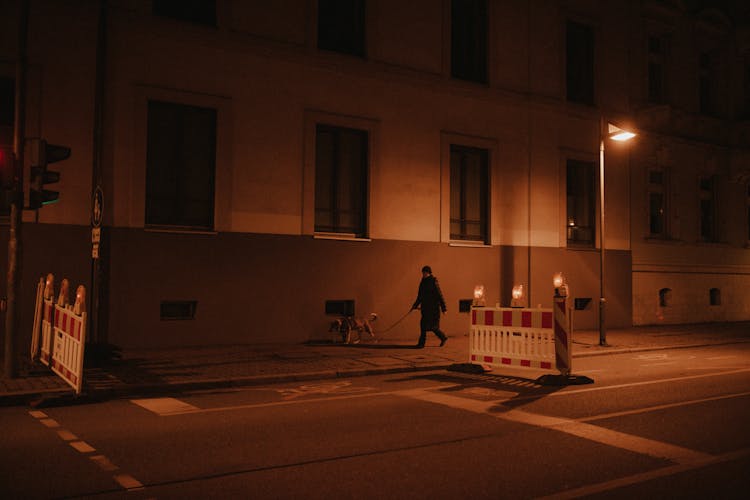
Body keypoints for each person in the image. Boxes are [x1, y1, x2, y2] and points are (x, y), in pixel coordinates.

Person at [411, 265, 448, 348]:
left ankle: (443, 337)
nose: (423, 274)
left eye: (425, 272)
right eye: (423, 272)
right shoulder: (422, 282)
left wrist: (444, 308)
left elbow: (439, 295)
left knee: (433, 327)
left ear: (428, 273)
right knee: (423, 326)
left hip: (433, 309)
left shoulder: (433, 281)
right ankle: (421, 344)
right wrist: (415, 305)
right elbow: (420, 296)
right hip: (425, 309)